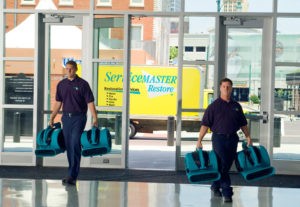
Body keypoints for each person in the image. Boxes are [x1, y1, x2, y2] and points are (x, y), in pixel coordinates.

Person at [196, 77, 252, 203]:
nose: (226, 89)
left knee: (225, 165)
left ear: (231, 88)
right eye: (224, 86)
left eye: (228, 86)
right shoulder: (213, 107)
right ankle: (227, 192)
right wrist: (199, 140)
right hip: (219, 138)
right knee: (222, 165)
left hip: (233, 138)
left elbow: (243, 124)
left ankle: (215, 186)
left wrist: (248, 137)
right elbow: (205, 124)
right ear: (220, 88)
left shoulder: (236, 106)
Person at [49, 60, 98, 185]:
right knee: (69, 145)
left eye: (71, 68)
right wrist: (52, 117)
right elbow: (58, 103)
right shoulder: (61, 84)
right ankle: (71, 173)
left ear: (76, 69)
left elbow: (90, 102)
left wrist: (95, 118)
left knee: (75, 144)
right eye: (67, 68)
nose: (69, 70)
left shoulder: (83, 84)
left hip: (79, 118)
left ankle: (73, 175)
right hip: (66, 118)